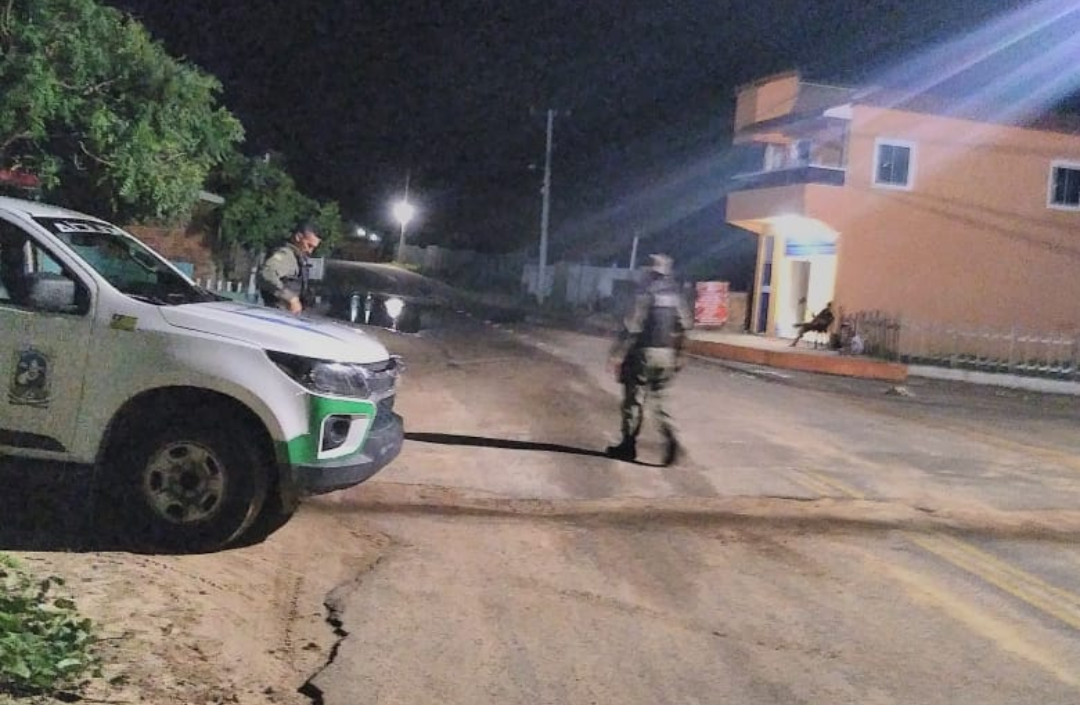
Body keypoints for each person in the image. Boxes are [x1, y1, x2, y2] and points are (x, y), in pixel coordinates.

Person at [606, 253, 694, 466]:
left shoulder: (644, 294)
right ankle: (669, 436)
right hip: (666, 355)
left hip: (643, 353)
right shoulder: (676, 296)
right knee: (660, 400)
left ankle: (628, 446)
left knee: (634, 401)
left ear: (651, 272)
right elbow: (685, 327)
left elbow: (632, 327)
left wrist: (617, 354)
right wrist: (681, 354)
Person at [259, 221, 321, 313]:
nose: (310, 251)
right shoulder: (286, 256)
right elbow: (267, 274)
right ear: (298, 237)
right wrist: (291, 298)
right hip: (277, 315)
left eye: (313, 248)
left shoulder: (298, 259)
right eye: (309, 245)